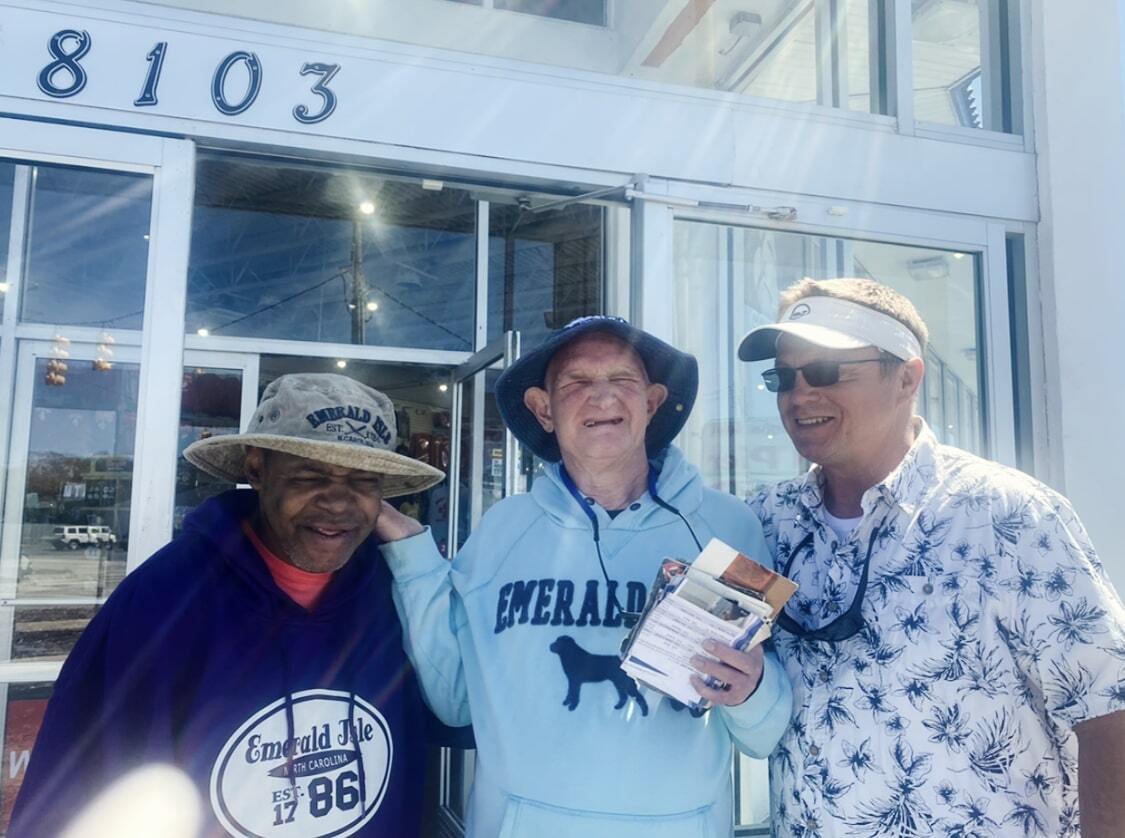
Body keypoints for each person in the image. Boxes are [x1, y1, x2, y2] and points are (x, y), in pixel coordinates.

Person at [375, 315, 792, 838]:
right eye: (576, 383)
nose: (603, 398)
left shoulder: (727, 528)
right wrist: (411, 550)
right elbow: (454, 698)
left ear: (653, 402)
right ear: (543, 410)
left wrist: (752, 690)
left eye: (623, 380)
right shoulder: (503, 529)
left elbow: (765, 733)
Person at [741, 278, 1125, 837]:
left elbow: (1110, 711)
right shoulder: (765, 521)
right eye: (783, 378)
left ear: (907, 377)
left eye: (825, 372)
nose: (800, 396)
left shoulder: (1008, 515)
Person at [11, 374, 446, 838]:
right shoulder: (162, 602)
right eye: (310, 476)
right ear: (257, 470)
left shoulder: (394, 595)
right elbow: (80, 793)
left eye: (363, 481)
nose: (338, 503)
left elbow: (464, 718)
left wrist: (418, 558)